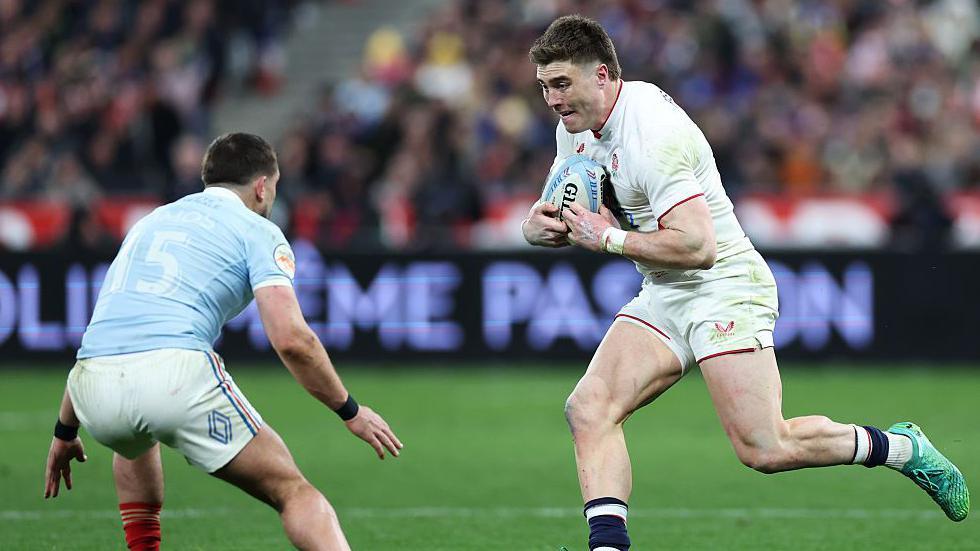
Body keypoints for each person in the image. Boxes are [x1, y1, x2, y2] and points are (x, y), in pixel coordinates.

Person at [522, 15, 968, 551]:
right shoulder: (574, 127)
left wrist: (610, 241)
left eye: (562, 84)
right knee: (589, 408)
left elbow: (699, 246)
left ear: (601, 75)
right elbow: (569, 202)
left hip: (724, 285)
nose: (552, 98)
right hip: (667, 290)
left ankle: (901, 448)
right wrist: (537, 226)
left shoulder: (651, 136)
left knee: (765, 448)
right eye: (545, 86)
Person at [43, 132, 403, 551]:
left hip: (91, 388)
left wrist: (65, 431)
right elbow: (292, 340)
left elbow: (107, 328)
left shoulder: (150, 222)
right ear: (262, 185)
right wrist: (349, 411)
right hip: (173, 375)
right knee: (294, 492)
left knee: (135, 441)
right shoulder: (258, 230)